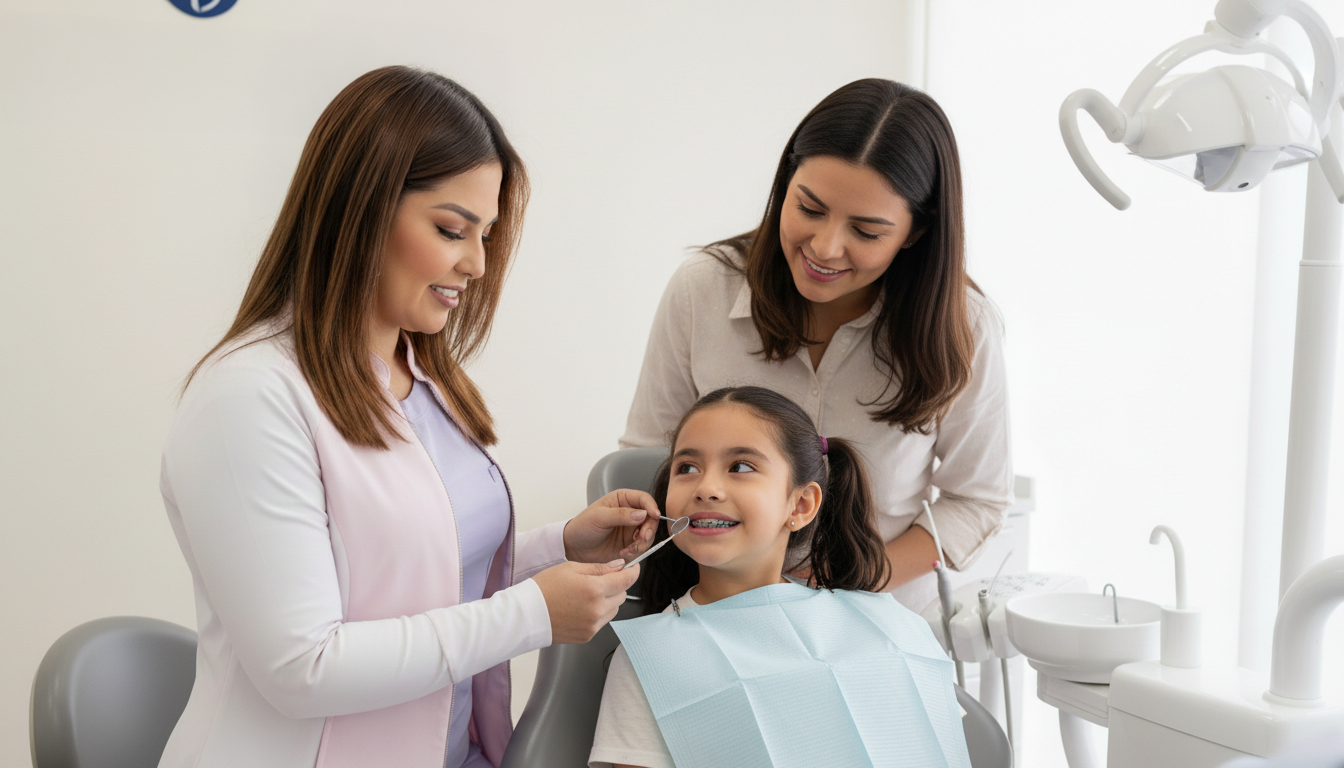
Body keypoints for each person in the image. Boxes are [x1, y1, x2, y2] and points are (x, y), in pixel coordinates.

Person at [158, 66, 660, 768]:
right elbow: (303, 667)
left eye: (485, 234)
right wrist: (533, 615)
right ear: (357, 211)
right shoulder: (246, 400)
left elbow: (421, 574)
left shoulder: (423, 379)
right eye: (453, 229)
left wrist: (561, 549)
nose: (478, 264)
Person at [622, 78, 1012, 611]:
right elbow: (647, 458)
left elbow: (978, 500)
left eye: (867, 232)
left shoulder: (964, 328)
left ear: (916, 232)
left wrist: (854, 576)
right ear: (785, 184)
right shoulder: (703, 290)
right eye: (809, 208)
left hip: (875, 620)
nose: (826, 248)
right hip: (715, 619)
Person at [590, 386, 971, 768]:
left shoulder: (887, 628)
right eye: (687, 468)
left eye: (740, 466)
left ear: (801, 504)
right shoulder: (650, 657)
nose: (706, 488)